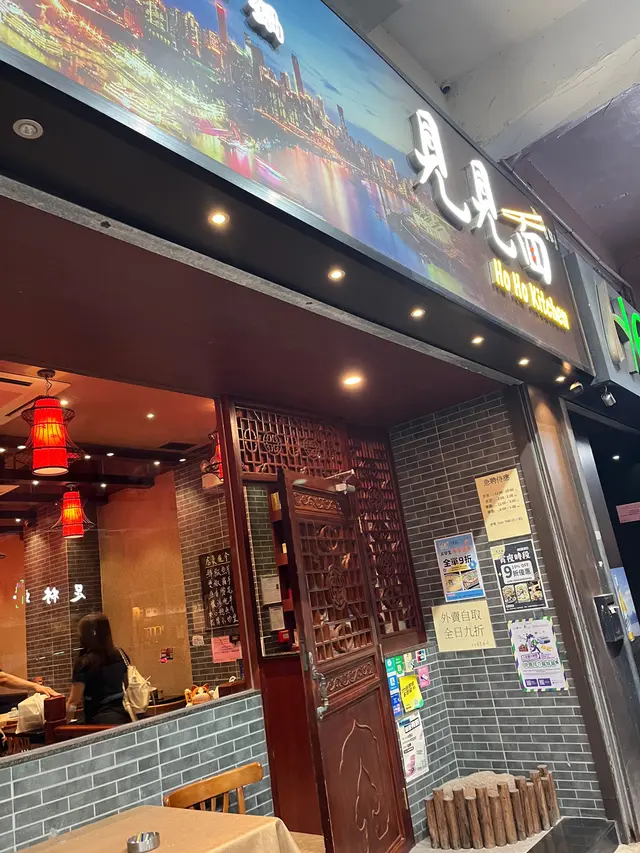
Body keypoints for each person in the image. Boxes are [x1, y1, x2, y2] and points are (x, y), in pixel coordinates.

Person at [67, 613, 130, 725]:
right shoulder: (120, 654)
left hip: (99, 722)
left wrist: (66, 722)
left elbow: (74, 701)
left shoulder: (84, 662)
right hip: (124, 715)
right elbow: (126, 684)